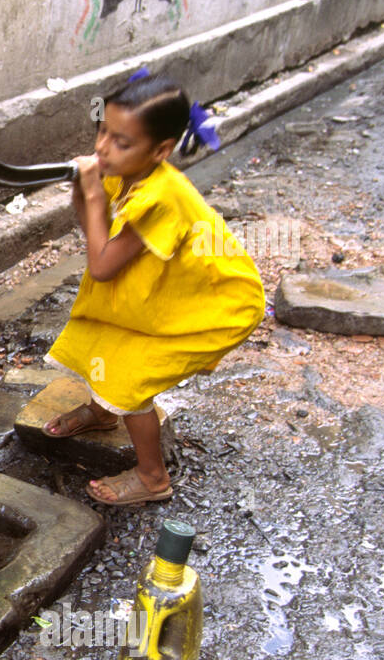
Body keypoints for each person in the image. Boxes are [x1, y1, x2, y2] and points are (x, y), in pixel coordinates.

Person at [42, 72, 264, 505]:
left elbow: (103, 265)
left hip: (217, 303)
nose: (104, 148)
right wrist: (82, 191)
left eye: (121, 142)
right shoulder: (123, 170)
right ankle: (104, 412)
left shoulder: (161, 197)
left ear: (161, 150)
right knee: (102, 335)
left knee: (130, 378)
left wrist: (89, 197)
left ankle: (152, 478)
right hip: (169, 291)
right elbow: (97, 228)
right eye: (103, 130)